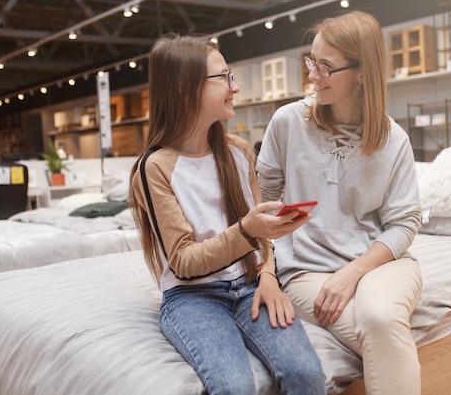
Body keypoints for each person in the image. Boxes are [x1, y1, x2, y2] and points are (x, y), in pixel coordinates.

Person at [128, 33, 326, 395]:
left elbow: (261, 238)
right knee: (235, 386)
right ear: (185, 89)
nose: (234, 87)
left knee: (308, 375)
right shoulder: (154, 167)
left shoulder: (237, 152)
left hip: (251, 285)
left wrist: (268, 277)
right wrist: (247, 231)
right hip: (192, 298)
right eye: (224, 78)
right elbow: (184, 261)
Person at [256, 10, 423, 395]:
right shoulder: (287, 122)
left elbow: (404, 223)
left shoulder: (393, 140)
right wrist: (267, 272)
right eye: (311, 60)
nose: (312, 74)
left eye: (325, 67)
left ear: (362, 73)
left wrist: (351, 274)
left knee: (381, 317)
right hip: (306, 271)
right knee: (381, 335)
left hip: (381, 263)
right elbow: (261, 205)